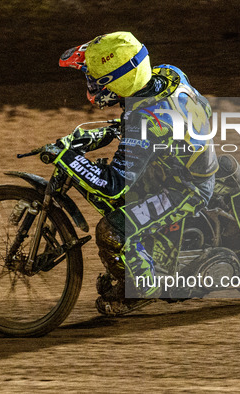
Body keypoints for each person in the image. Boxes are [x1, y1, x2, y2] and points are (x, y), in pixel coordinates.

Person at [58, 32, 218, 315]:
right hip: (177, 160)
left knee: (112, 230)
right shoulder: (168, 74)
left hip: (186, 187)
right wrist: (115, 130)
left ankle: (141, 290)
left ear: (118, 80)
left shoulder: (144, 122)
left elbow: (113, 187)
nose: (91, 84)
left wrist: (69, 158)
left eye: (96, 79)